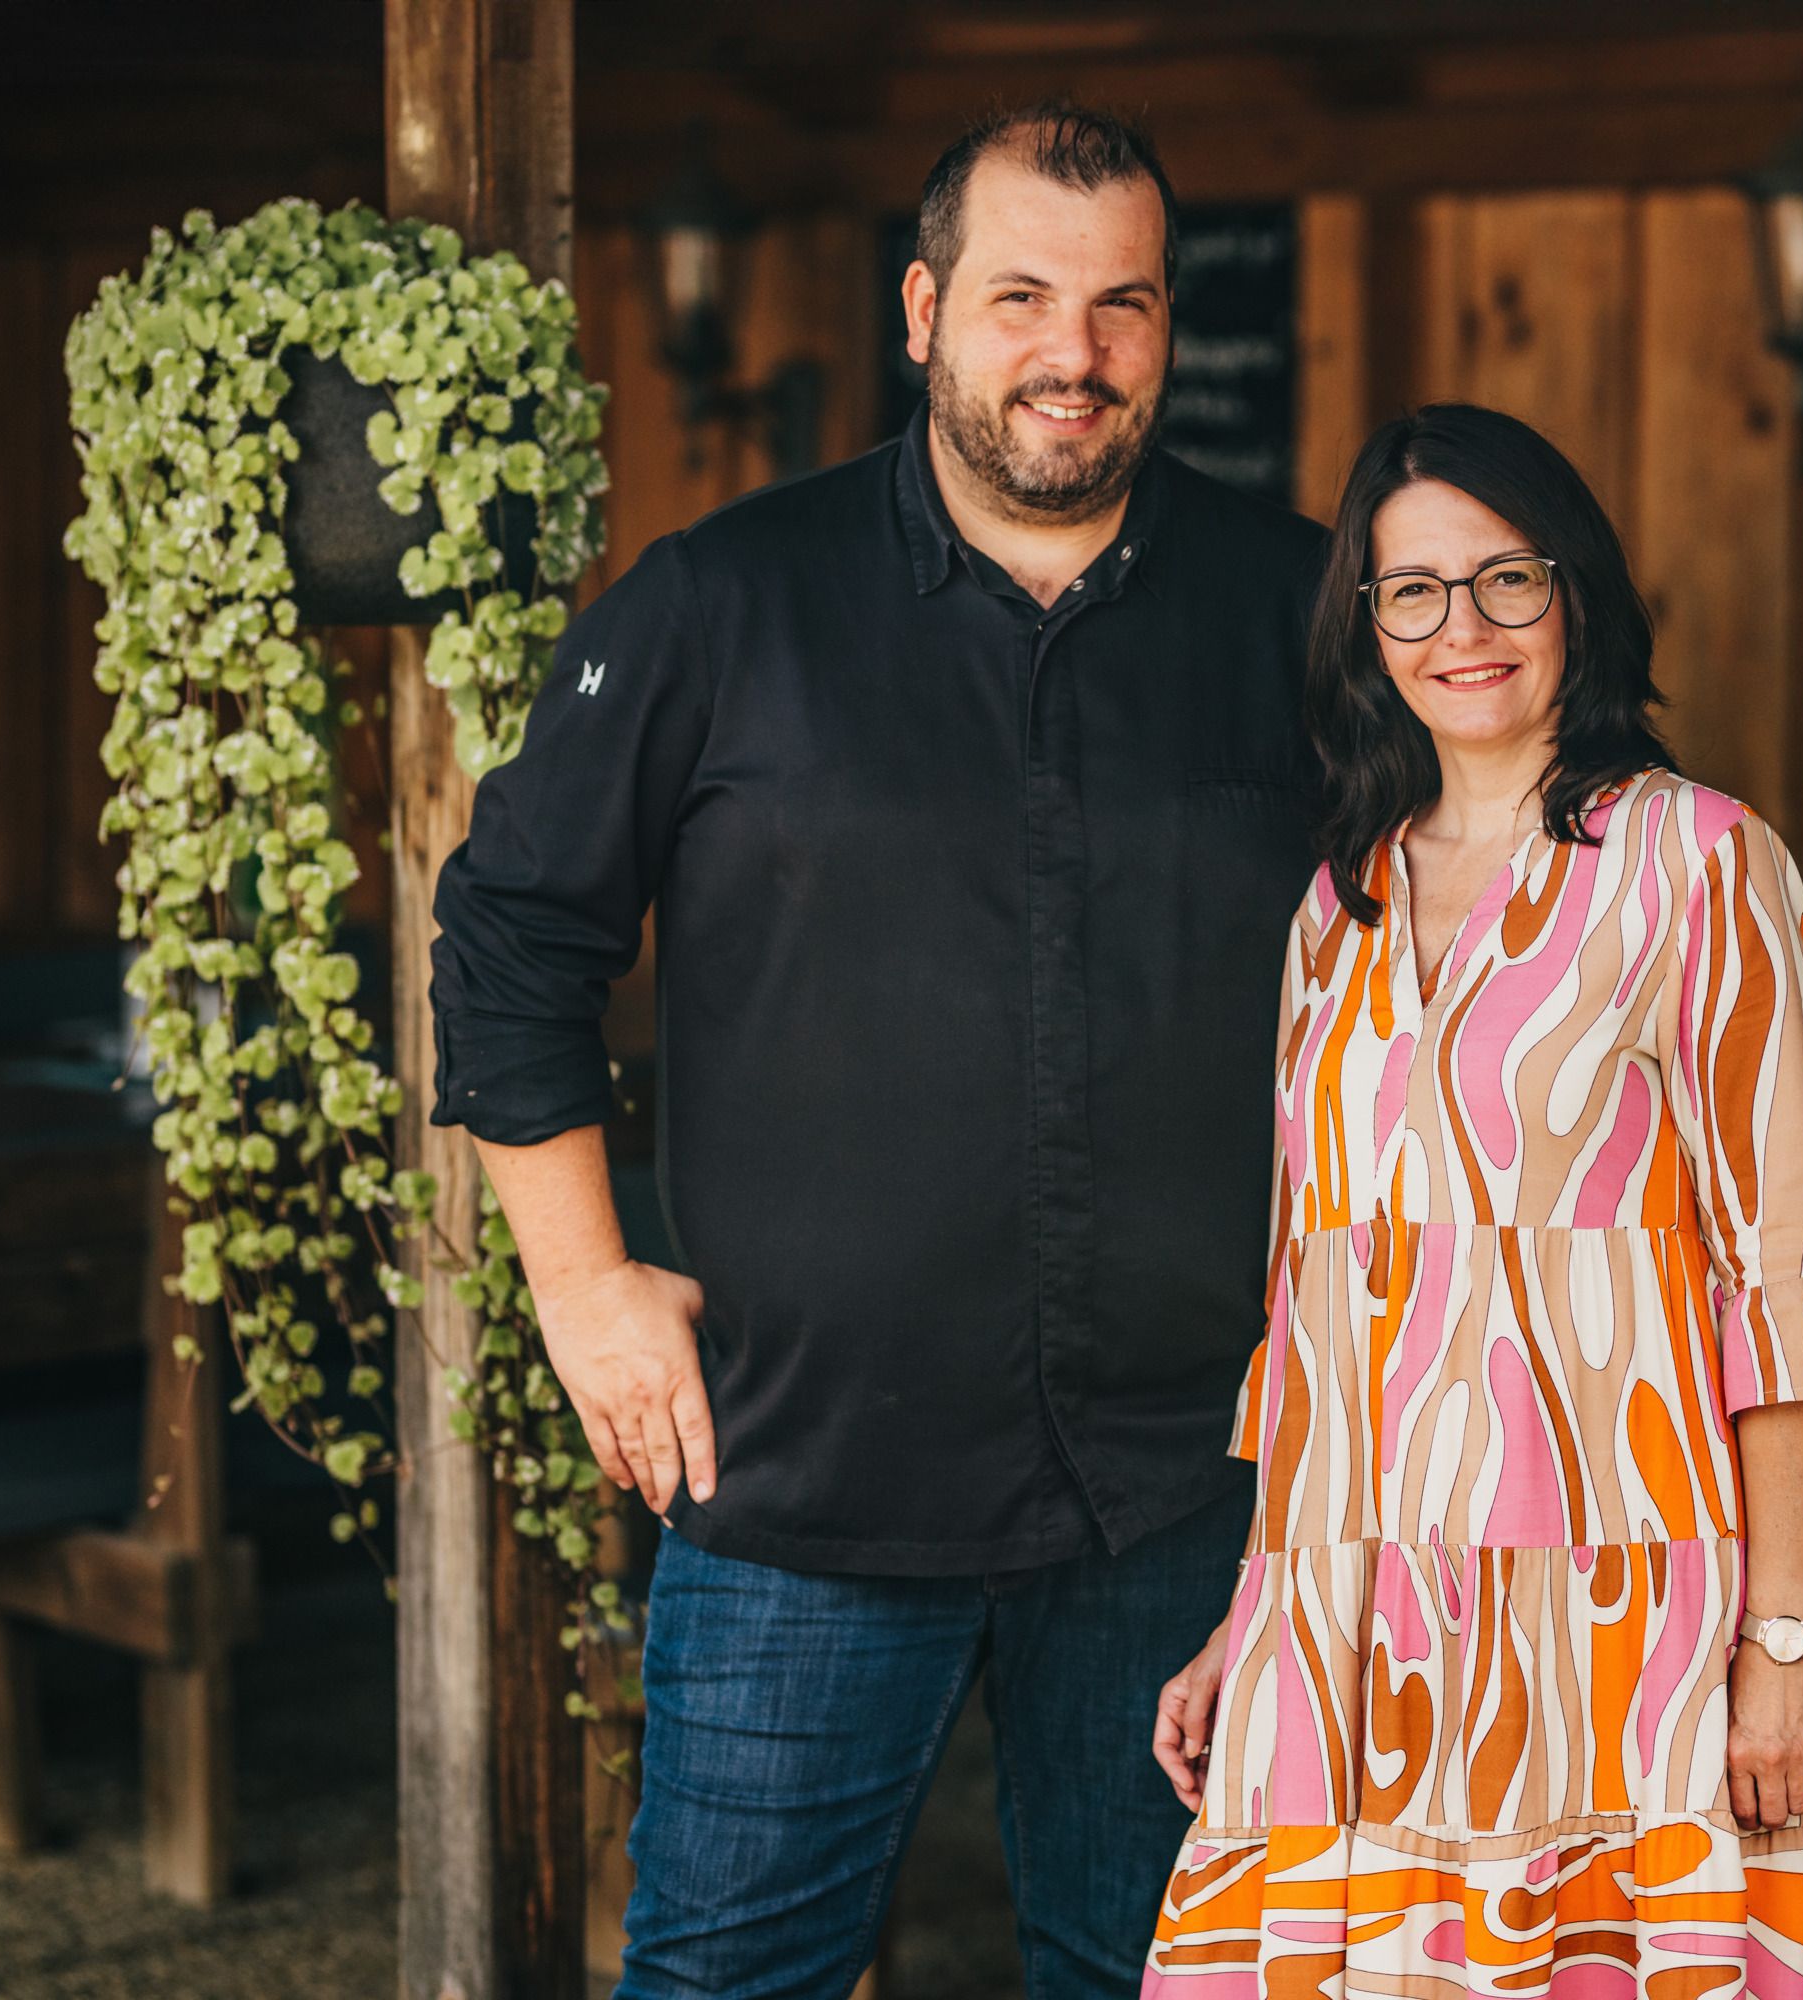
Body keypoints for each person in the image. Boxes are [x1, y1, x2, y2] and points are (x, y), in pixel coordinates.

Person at [426, 103, 1326, 2000]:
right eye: (1019, 297)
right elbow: (512, 937)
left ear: (1166, 328)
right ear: (922, 311)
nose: (1071, 355)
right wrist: (585, 1294)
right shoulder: (717, 601)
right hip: (804, 1476)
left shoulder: (1299, 611)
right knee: (728, 1984)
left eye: (1122, 305)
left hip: (1187, 1485)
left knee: (1168, 1985)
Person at [1140, 405, 1803, 1997]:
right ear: (1365, 628)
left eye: (1504, 581)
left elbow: (1779, 1283)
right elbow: (1313, 1308)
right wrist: (1249, 1614)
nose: (1459, 629)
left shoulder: (1700, 863)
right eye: (1412, 592)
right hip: (1351, 1617)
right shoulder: (1337, 904)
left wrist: (1784, 1641)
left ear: (1578, 597)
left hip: (1620, 1609)